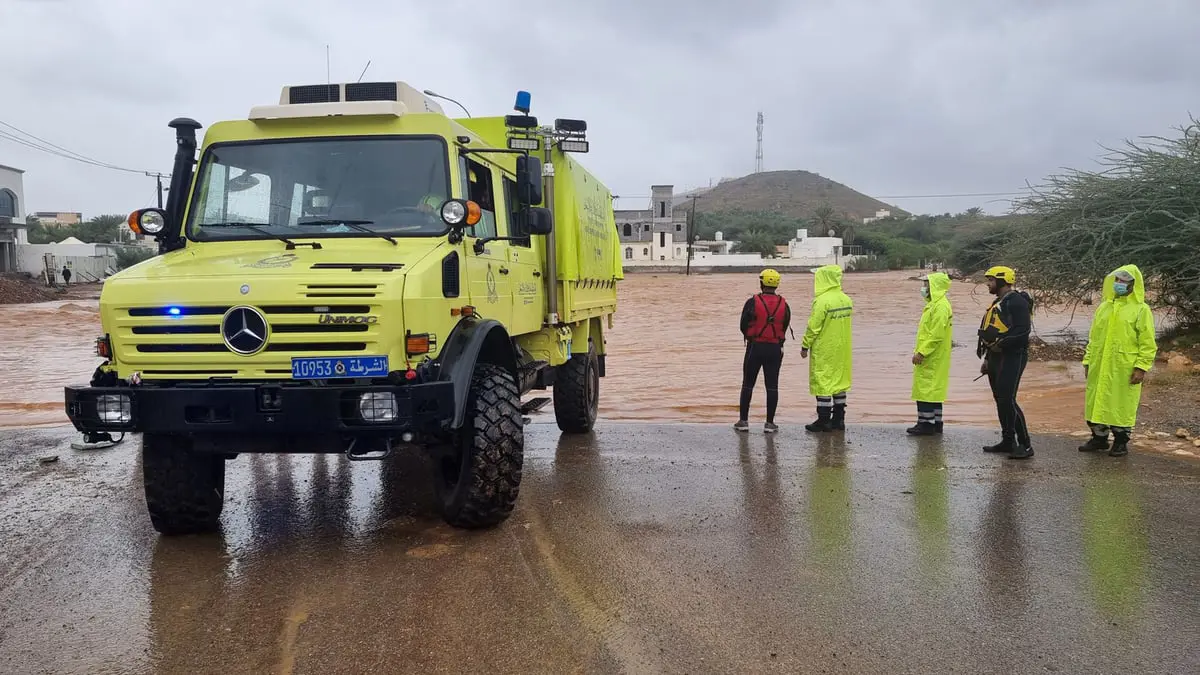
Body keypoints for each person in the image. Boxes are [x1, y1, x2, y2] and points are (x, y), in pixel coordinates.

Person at [1078, 265, 1157, 457]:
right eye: (1117, 280)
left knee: (1121, 404)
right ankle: (1099, 438)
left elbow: (1147, 342)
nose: (1119, 284)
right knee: (1096, 401)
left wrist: (1141, 367)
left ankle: (1121, 442)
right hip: (1099, 365)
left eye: (1124, 281)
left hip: (1124, 367)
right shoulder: (1104, 307)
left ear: (1133, 284)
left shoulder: (1141, 310)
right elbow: (1094, 338)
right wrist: (1088, 361)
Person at [977, 266, 1034, 459]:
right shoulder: (999, 302)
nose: (988, 284)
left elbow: (1023, 331)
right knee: (1000, 399)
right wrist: (987, 359)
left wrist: (1001, 344)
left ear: (1002, 281)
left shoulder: (1017, 302)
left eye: (991, 280)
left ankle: (1025, 444)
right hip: (996, 357)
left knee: (1007, 400)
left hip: (1012, 356)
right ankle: (1008, 440)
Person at [735, 268, 791, 433]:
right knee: (772, 386)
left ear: (761, 283)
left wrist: (750, 337)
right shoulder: (784, 304)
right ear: (777, 284)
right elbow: (785, 325)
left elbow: (743, 325)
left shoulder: (752, 302)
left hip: (755, 347)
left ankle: (743, 421)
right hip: (774, 349)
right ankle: (770, 423)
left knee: (748, 384)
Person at [801, 264, 853, 432]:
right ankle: (839, 420)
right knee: (839, 382)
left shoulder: (822, 301)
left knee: (823, 382)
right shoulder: (846, 299)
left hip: (825, 348)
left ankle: (823, 420)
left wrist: (805, 345)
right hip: (843, 349)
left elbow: (813, 327)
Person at [908, 272, 953, 435]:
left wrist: (922, 352)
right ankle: (936, 422)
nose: (924, 288)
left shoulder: (940, 306)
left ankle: (926, 424)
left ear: (935, 286)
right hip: (934, 355)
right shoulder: (936, 305)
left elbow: (936, 334)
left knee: (926, 391)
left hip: (931, 356)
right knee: (933, 391)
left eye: (926, 285)